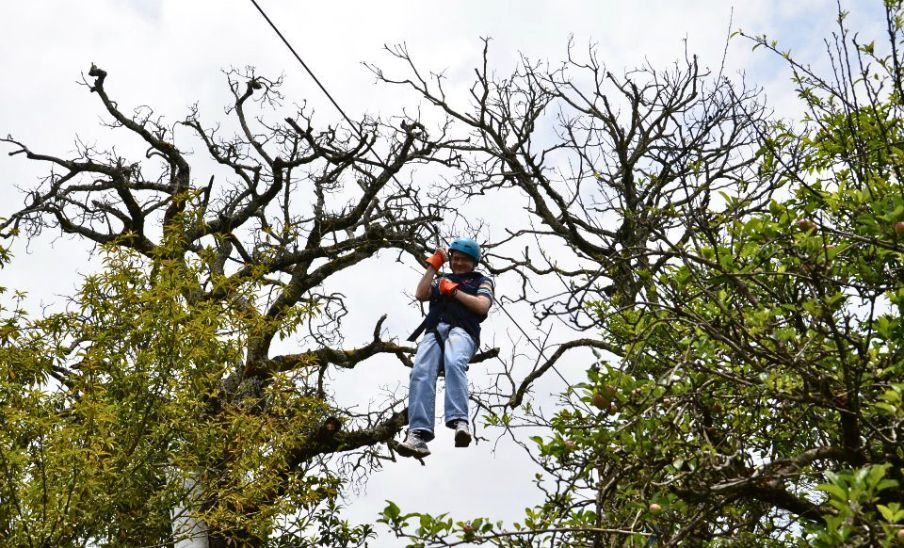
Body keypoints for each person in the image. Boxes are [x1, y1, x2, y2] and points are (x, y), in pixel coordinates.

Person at [396, 238, 494, 458]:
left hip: (463, 331)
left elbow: (482, 305)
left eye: (464, 260)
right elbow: (421, 294)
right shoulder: (442, 279)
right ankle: (417, 434)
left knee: (454, 361)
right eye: (455, 259)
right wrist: (434, 266)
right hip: (434, 331)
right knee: (420, 371)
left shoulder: (482, 281)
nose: (458, 263)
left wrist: (455, 292)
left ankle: (460, 421)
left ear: (473, 263)